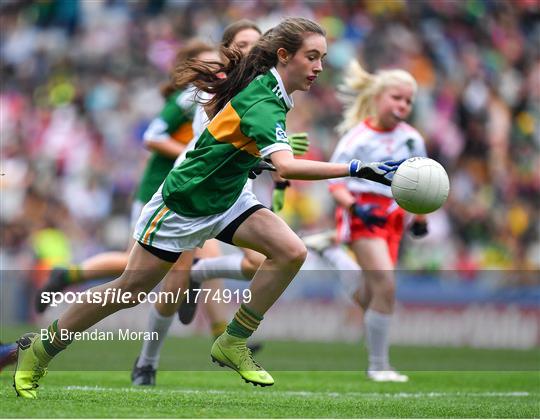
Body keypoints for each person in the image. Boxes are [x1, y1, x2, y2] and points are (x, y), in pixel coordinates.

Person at [13, 17, 402, 398]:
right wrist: (358, 169)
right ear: (284, 56)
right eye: (312, 57)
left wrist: (255, 159)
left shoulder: (272, 92)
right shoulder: (264, 101)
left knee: (290, 251)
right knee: (128, 290)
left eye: (322, 58)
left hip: (228, 198)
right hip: (184, 204)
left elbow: (243, 145)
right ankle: (41, 351)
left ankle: (232, 340)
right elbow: (287, 166)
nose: (319, 68)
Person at [327, 60, 428, 382]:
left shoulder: (412, 139)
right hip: (363, 212)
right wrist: (354, 208)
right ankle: (378, 366)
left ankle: (333, 255)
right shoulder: (357, 138)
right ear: (378, 97)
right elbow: (335, 182)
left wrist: (420, 217)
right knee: (386, 284)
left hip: (394, 216)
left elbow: (424, 182)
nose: (403, 105)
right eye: (397, 97)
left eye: (408, 100)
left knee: (374, 295)